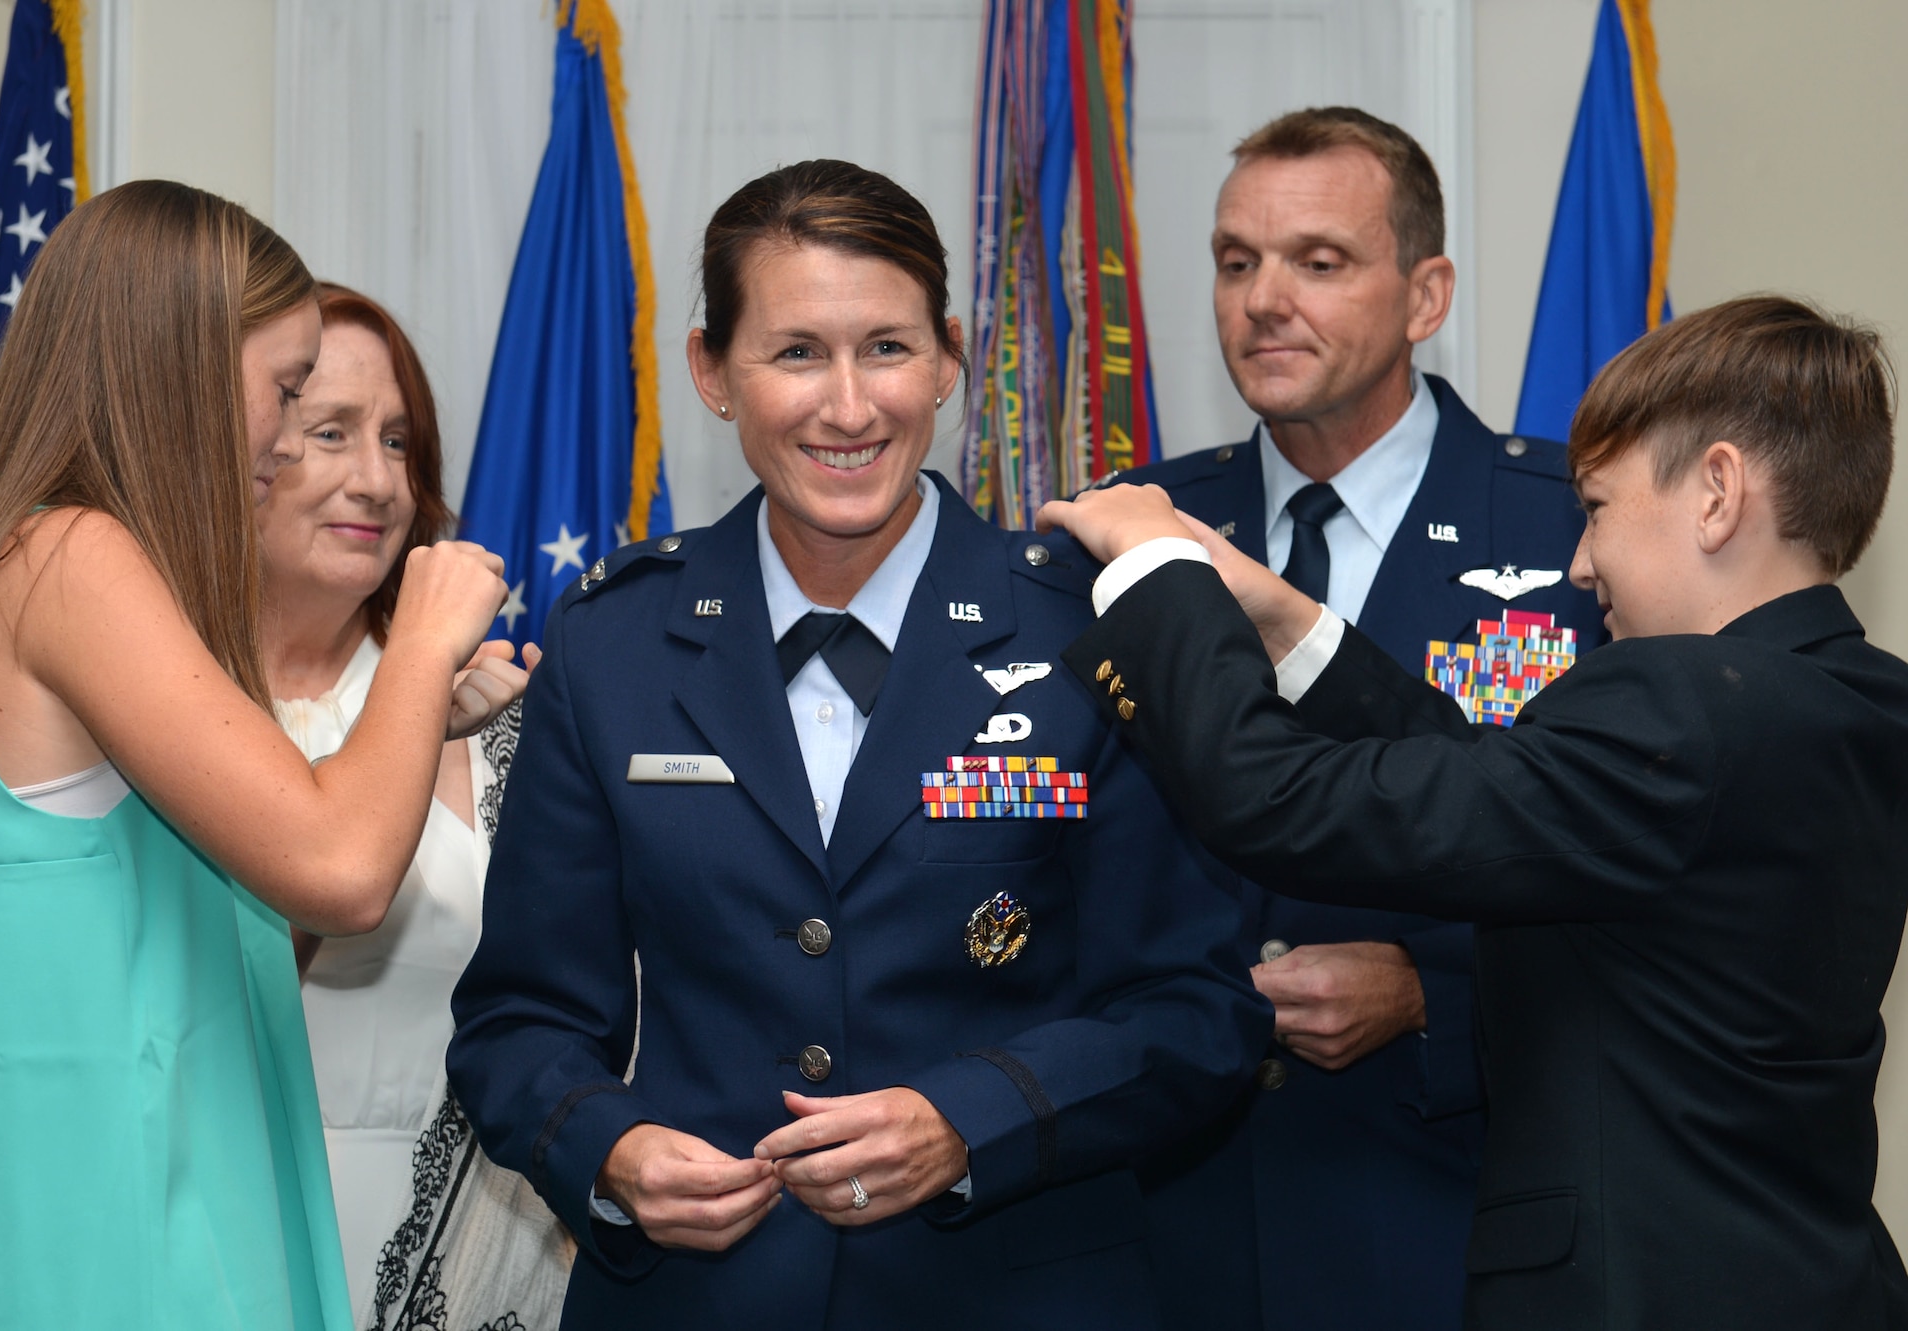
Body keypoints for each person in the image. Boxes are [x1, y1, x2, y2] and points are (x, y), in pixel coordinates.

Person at [446, 158, 1267, 1331]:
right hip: (696, 1301)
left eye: (884, 348)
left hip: (1007, 1289)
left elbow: (1199, 1011)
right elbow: (518, 1021)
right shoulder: (613, 643)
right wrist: (610, 1148)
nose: (846, 406)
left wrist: (970, 1119)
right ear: (711, 373)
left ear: (947, 358)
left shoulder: (1093, 629)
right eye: (794, 353)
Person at [1041, 295, 1908, 1328]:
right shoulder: (1853, 698)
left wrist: (1154, 571)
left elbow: (1271, 800)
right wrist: (1290, 623)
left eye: (1592, 507)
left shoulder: (1675, 699)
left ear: (1715, 493)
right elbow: (1507, 795)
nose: (1578, 564)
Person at [0, 180, 513, 1331]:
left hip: (138, 1208)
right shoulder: (73, 555)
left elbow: (232, 945)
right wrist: (424, 638)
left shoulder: (50, 562)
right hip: (112, 1232)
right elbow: (341, 866)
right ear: (180, 363)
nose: (288, 440)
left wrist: (402, 730)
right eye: (286, 391)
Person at [1103, 106, 1603, 1330]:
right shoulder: (1138, 531)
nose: (1263, 299)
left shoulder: (1568, 535)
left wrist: (1445, 988)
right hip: (1170, 1219)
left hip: (1449, 1210)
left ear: (1424, 293)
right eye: (1235, 262)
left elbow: (1666, 879)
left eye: (1317, 261)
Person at [256, 282, 556, 1324]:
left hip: (479, 1253)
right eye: (329, 430)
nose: (377, 480)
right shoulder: (169, 716)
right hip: (227, 1228)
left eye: (400, 441)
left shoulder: (499, 712)